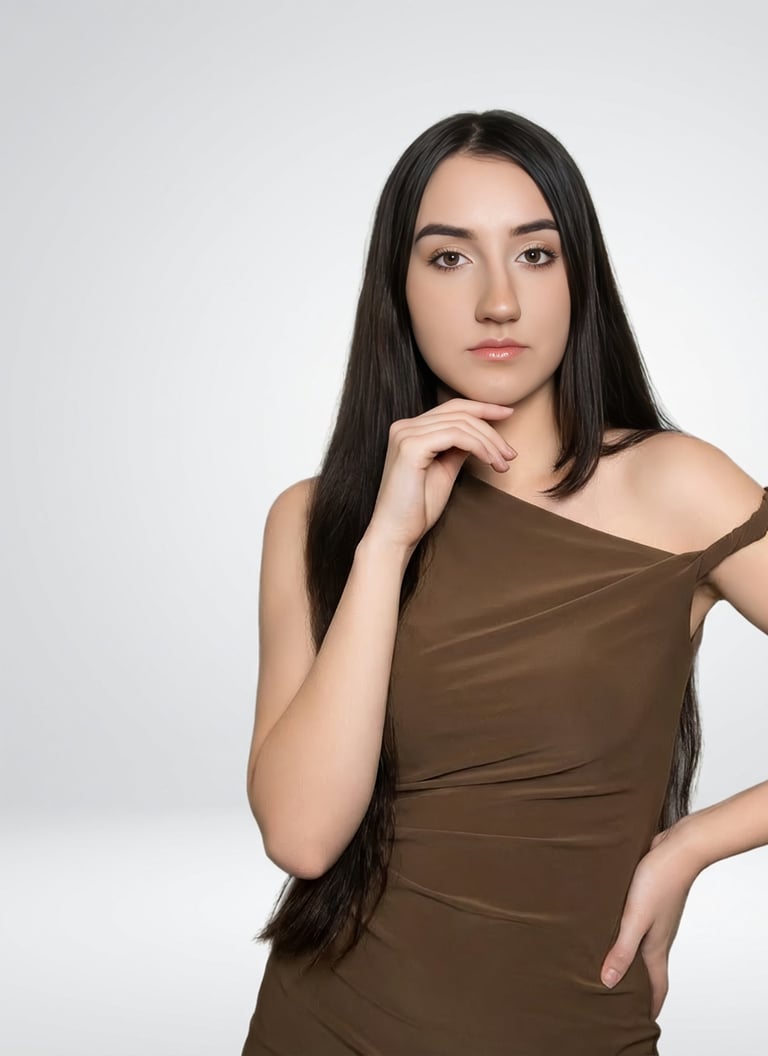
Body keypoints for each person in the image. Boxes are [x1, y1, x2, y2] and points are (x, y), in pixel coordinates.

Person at [239, 110, 768, 1055]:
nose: (498, 302)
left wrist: (691, 845)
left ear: (580, 277)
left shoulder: (678, 486)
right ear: (397, 288)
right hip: (322, 1029)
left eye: (535, 254)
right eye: (449, 258)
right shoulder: (313, 518)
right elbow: (304, 836)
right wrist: (386, 542)